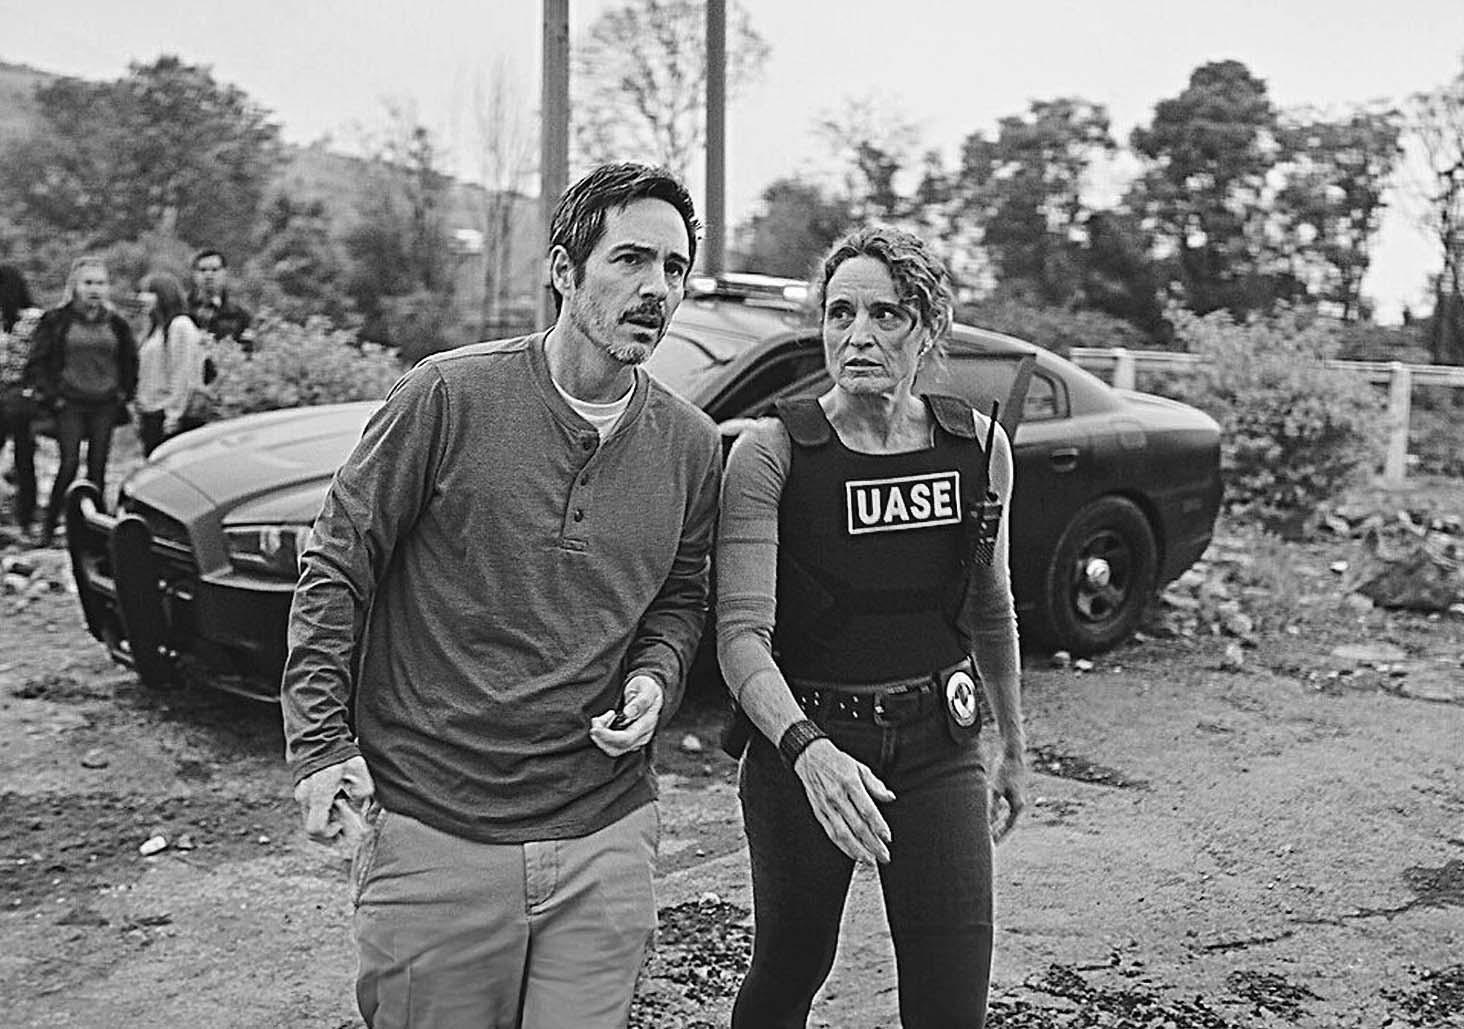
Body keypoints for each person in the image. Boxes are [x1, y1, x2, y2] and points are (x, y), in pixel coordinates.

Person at [282, 162, 721, 1029]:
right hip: (435, 832)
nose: (656, 289)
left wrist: (656, 678)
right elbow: (338, 562)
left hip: (605, 834)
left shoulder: (691, 443)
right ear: (564, 270)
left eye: (674, 268)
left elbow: (681, 595)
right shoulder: (448, 395)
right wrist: (321, 742)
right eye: (631, 259)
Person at [716, 225, 1028, 1028]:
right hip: (806, 745)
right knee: (789, 966)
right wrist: (809, 751)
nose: (858, 335)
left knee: (953, 991)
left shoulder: (977, 444)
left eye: (886, 314)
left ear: (927, 329)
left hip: (938, 747)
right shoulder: (772, 453)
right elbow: (740, 636)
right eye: (840, 312)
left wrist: (1014, 746)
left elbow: (990, 605)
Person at [26, 257, 138, 546]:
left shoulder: (116, 323)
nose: (94, 289)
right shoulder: (57, 320)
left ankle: (94, 534)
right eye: (88, 283)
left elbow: (129, 360)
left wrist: (124, 393)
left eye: (100, 283)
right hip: (70, 401)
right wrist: (51, 396)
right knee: (70, 463)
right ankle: (49, 526)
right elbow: (38, 361)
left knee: (98, 466)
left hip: (105, 403)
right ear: (75, 286)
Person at [134, 272, 208, 456]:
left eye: (149, 292)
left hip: (167, 415)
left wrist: (174, 413)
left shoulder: (179, 325)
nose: (142, 298)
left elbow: (184, 373)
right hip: (150, 412)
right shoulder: (154, 329)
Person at [1, 265, 42, 539]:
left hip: (14, 394)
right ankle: (25, 516)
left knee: (22, 457)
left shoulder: (26, 320)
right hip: (23, 395)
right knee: (25, 458)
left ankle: (21, 515)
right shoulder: (34, 318)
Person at [188, 248, 252, 351]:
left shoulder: (239, 316)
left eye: (214, 270)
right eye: (203, 270)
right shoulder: (182, 310)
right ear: (194, 274)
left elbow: (246, 352)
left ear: (225, 273)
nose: (208, 275)